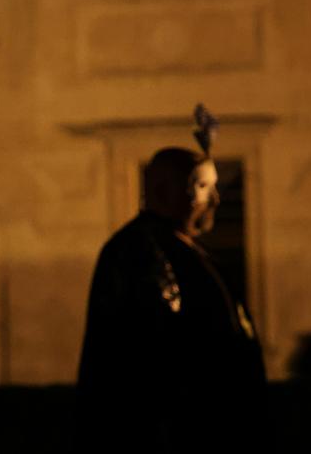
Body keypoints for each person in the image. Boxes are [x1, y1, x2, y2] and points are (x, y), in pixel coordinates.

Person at [77, 110, 266, 453]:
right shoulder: (140, 250)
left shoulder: (183, 249)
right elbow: (153, 348)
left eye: (215, 187)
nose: (216, 199)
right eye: (203, 187)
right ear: (165, 191)